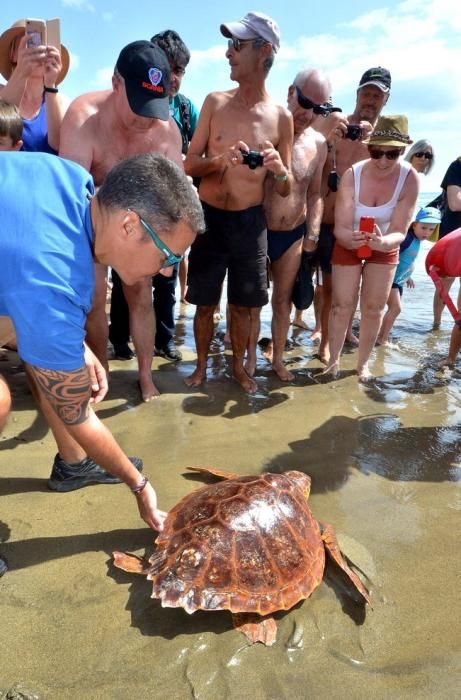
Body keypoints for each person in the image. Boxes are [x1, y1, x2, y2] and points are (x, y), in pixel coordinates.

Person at [0, 151, 204, 530]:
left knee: (25, 335)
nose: (167, 271)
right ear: (129, 225)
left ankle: (75, 465)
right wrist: (139, 486)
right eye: (168, 255)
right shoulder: (53, 281)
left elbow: (22, 264)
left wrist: (73, 346)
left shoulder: (71, 179)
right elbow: (75, 414)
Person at [59, 40, 183, 401]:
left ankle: (145, 375)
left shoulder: (167, 132)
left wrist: (170, 255)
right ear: (116, 84)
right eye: (139, 106)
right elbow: (72, 197)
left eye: (154, 108)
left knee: (140, 292)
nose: (147, 119)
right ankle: (102, 374)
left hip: (141, 226)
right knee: (94, 298)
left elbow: (174, 202)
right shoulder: (84, 116)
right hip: (89, 222)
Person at [184, 11, 293, 393]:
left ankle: (238, 368)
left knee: (245, 306)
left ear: (264, 51)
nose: (228, 53)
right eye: (229, 44)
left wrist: (279, 170)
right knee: (204, 302)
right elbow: (188, 163)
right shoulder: (214, 102)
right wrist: (220, 160)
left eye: (237, 45)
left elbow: (284, 187)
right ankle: (199, 366)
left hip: (251, 223)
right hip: (210, 218)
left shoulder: (281, 117)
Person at [109, 30, 199, 363]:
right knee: (124, 277)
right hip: (132, 205)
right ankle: (119, 339)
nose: (174, 77)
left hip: (167, 207)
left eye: (181, 71)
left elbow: (198, 152)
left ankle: (164, 339)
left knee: (167, 277)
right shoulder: (132, 95)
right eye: (170, 68)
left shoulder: (187, 110)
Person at [325, 114, 419, 380]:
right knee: (342, 305)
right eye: (377, 152)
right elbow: (340, 227)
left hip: (385, 242)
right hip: (349, 239)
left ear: (402, 152)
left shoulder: (410, 179)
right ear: (369, 148)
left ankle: (362, 364)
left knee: (374, 307)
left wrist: (382, 242)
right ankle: (332, 362)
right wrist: (349, 238)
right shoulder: (352, 175)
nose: (383, 160)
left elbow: (400, 231)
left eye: (393, 154)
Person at [315, 67, 392, 363]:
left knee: (339, 288)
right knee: (312, 287)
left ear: (386, 100)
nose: (370, 100)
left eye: (377, 95)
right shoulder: (336, 121)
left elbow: (390, 181)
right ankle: (320, 331)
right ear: (357, 94)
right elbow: (310, 159)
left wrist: (375, 147)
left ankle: (330, 337)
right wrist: (330, 142)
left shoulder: (383, 140)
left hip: (352, 227)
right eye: (366, 93)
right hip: (320, 215)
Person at [263, 68, 332, 379]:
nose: (309, 113)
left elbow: (316, 193)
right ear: (290, 92)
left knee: (283, 301)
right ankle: (247, 358)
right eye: (305, 102)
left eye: (319, 108)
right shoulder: (266, 127)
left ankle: (277, 359)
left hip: (293, 233)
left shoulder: (319, 143)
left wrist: (312, 234)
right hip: (258, 230)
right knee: (249, 300)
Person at [0, 18, 69, 153]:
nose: (38, 50)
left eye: (44, 45)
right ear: (12, 54)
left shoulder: (60, 102)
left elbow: (59, 146)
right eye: (29, 43)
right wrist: (21, 71)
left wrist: (50, 85)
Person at [377, 206, 441, 345]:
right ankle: (382, 339)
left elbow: (406, 260)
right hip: (391, 278)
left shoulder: (417, 240)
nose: (427, 232)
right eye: (423, 228)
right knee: (396, 308)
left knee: (391, 309)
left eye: (431, 229)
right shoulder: (407, 238)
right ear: (414, 224)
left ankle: (381, 335)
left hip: (400, 280)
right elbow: (392, 255)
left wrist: (408, 276)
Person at [431, 156, 461, 329]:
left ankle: (457, 327)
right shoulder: (457, 166)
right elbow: (455, 203)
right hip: (453, 234)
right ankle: (436, 326)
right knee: (446, 282)